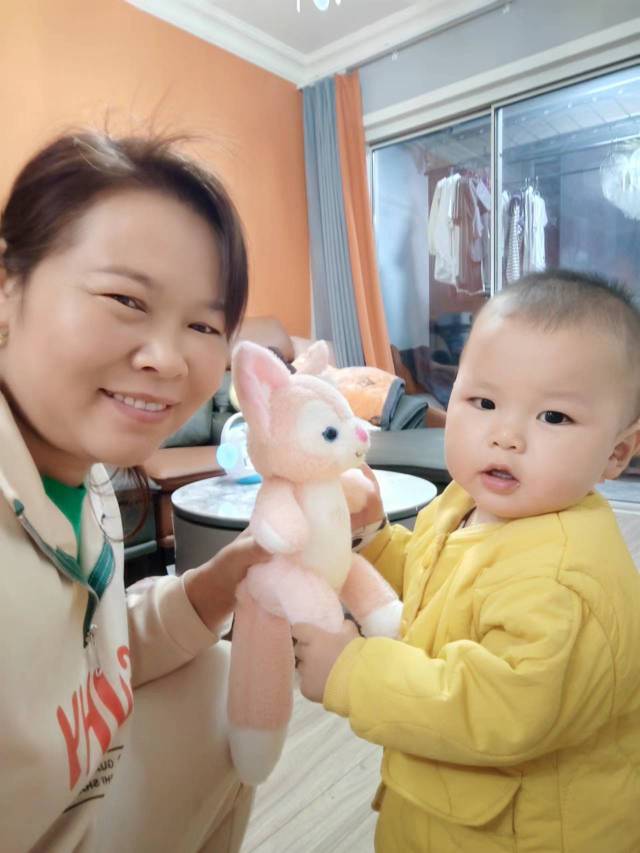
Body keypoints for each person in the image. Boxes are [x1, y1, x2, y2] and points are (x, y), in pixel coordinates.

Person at [294, 269, 640, 852]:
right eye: (484, 402)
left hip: (520, 835)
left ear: (617, 453)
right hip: (445, 811)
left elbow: (495, 710)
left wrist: (351, 670)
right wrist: (373, 537)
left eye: (553, 417)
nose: (506, 436)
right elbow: (432, 579)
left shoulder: (565, 581)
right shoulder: (466, 501)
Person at [0, 130, 269, 852]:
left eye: (204, 324)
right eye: (126, 298)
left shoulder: (86, 479)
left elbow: (90, 653)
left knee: (218, 677)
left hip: (76, 804)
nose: (168, 359)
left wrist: (215, 586)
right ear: (7, 287)